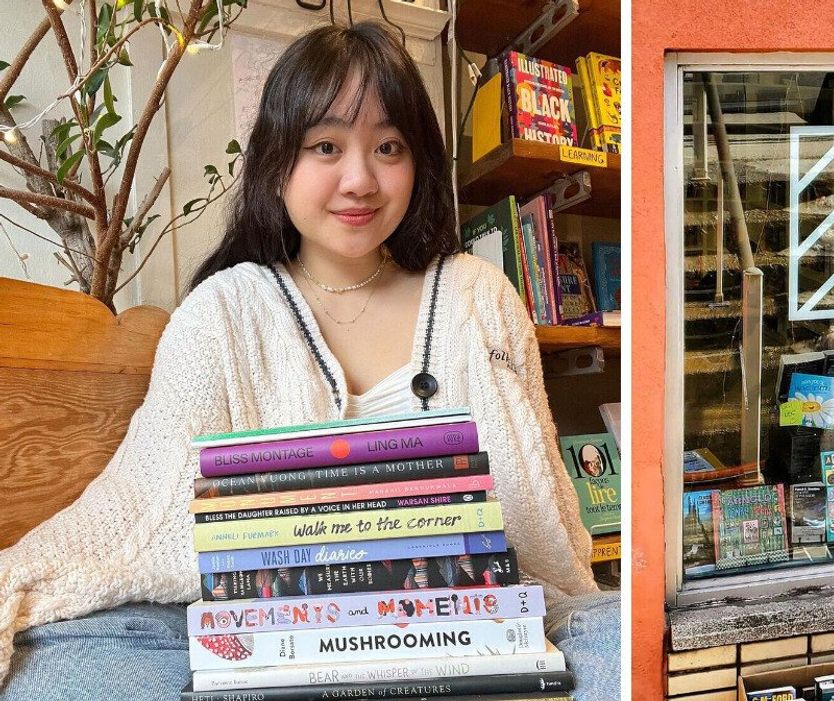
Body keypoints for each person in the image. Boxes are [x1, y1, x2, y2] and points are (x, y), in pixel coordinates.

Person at [0, 23, 618, 701]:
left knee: (630, 641)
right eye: (326, 146)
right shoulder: (223, 310)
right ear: (276, 161)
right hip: (264, 633)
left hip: (475, 627)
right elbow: (139, 508)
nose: (360, 179)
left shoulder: (482, 298)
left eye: (388, 147)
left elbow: (541, 523)